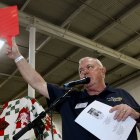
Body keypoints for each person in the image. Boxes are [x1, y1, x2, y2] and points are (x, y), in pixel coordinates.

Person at [6, 41, 140, 140]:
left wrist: (136, 115)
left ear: (103, 71)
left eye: (89, 67)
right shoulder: (69, 98)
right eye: (81, 71)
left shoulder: (122, 94)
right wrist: (17, 56)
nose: (84, 72)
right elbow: (37, 82)